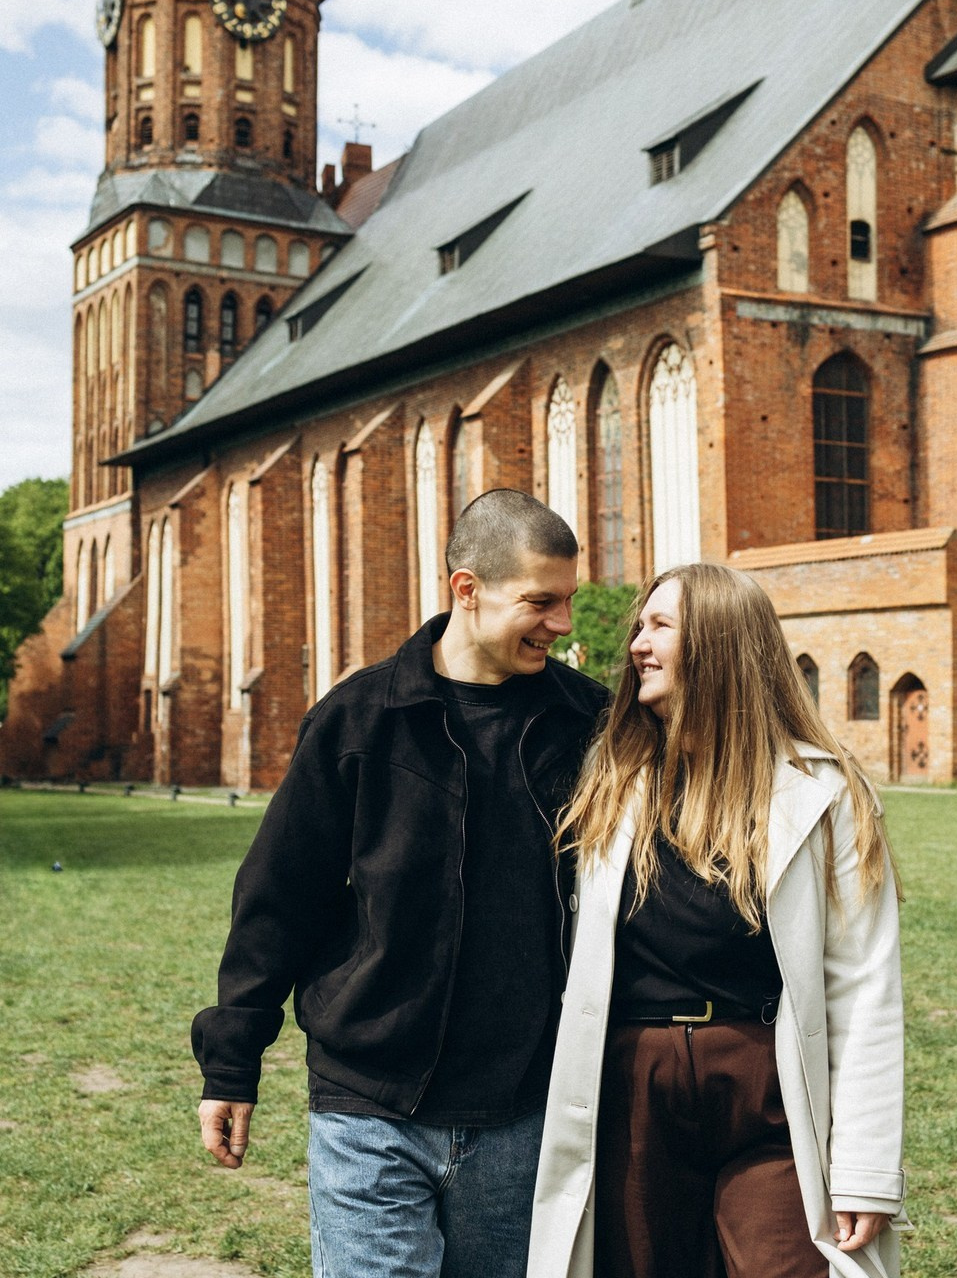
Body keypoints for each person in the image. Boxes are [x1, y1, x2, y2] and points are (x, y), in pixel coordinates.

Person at [192, 488, 609, 1278]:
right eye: (540, 602)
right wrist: (231, 1063)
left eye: (568, 601)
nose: (561, 623)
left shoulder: (588, 723)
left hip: (523, 1110)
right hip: (368, 1107)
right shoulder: (358, 720)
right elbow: (279, 899)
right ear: (467, 589)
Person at [527, 563, 907, 1278]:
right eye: (639, 626)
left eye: (660, 626)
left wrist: (866, 1169)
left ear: (719, 644)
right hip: (633, 1087)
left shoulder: (822, 794)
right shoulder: (610, 780)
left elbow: (864, 985)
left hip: (769, 1088)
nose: (637, 644)